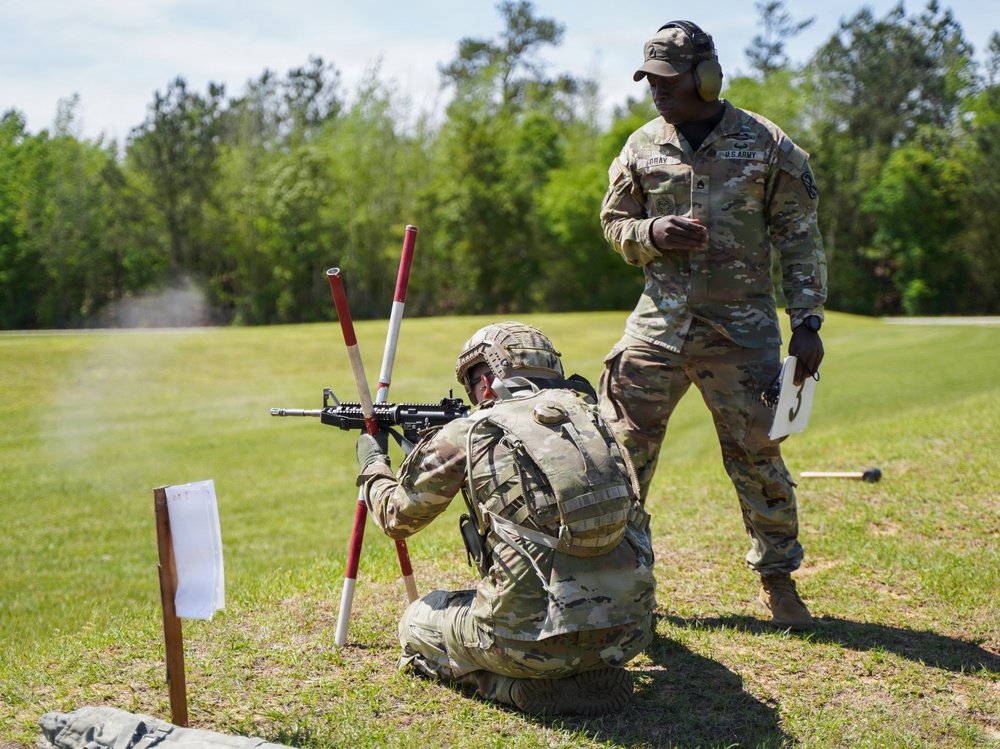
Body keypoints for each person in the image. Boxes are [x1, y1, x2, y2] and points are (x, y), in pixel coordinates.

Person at [598, 21, 827, 630]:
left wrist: (806, 319)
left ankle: (778, 582)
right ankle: (619, 583)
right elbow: (614, 223)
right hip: (657, 328)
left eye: (670, 81)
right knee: (617, 457)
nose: (658, 92)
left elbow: (799, 236)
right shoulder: (640, 145)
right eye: (650, 80)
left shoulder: (765, 143)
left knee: (758, 456)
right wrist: (650, 233)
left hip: (742, 332)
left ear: (706, 76)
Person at [355, 322, 656, 715]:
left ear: (486, 379)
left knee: (416, 621)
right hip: (630, 633)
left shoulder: (470, 430)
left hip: (526, 646)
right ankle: (581, 669)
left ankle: (512, 688)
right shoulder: (596, 421)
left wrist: (372, 465)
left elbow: (398, 518)